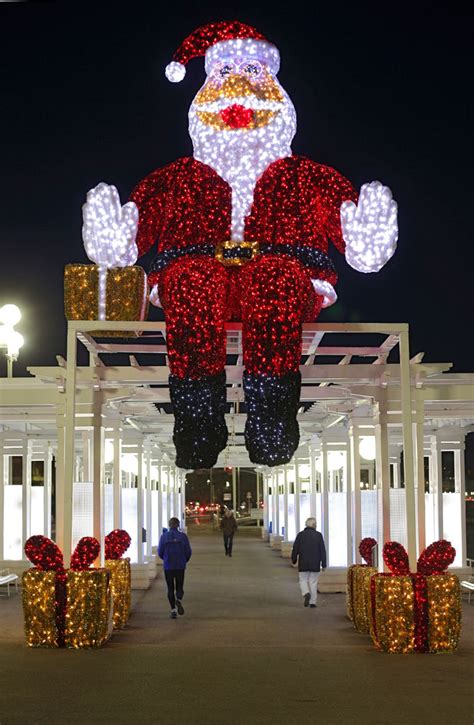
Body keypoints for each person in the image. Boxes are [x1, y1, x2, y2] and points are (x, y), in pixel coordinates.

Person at [158, 517, 192, 619]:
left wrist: (165, 559)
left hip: (168, 566)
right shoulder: (183, 537)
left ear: (169, 525)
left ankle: (173, 610)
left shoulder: (164, 536)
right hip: (180, 565)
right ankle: (179, 599)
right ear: (178, 525)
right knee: (180, 587)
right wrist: (184, 560)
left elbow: (160, 551)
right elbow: (188, 551)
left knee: (170, 589)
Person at [291, 517, 326, 608]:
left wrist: (294, 559)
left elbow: (295, 548)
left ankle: (306, 593)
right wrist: (324, 564)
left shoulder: (300, 535)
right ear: (314, 525)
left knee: (303, 580)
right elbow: (322, 550)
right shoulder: (318, 535)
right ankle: (313, 602)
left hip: (303, 562)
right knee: (313, 582)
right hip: (315, 563)